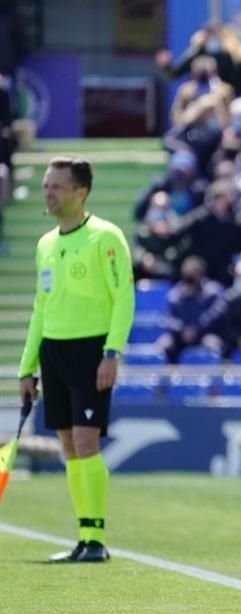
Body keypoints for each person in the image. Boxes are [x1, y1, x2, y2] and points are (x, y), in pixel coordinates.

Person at [17, 156, 135, 562]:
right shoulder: (45, 244)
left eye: (56, 186)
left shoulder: (106, 238)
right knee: (68, 444)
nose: (47, 192)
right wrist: (26, 366)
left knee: (86, 441)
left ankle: (97, 539)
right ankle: (84, 535)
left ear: (80, 192)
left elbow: (124, 298)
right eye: (46, 185)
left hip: (91, 352)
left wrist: (111, 352)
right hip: (54, 350)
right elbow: (39, 306)